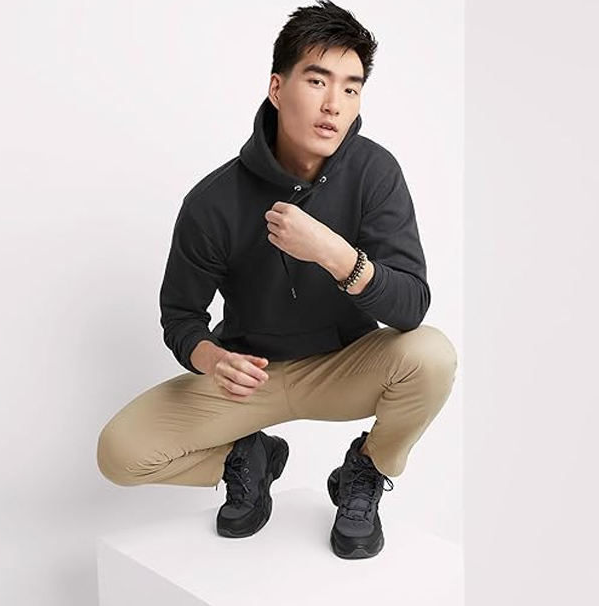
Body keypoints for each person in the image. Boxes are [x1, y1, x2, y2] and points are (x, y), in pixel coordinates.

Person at [96, 0, 458, 560]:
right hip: (251, 378)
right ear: (276, 87)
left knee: (432, 355)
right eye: (317, 81)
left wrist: (336, 255)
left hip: (346, 367)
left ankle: (365, 469)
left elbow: (411, 306)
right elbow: (181, 317)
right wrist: (213, 359)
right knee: (119, 453)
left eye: (351, 88)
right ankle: (248, 458)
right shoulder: (213, 201)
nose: (334, 104)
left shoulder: (374, 172)